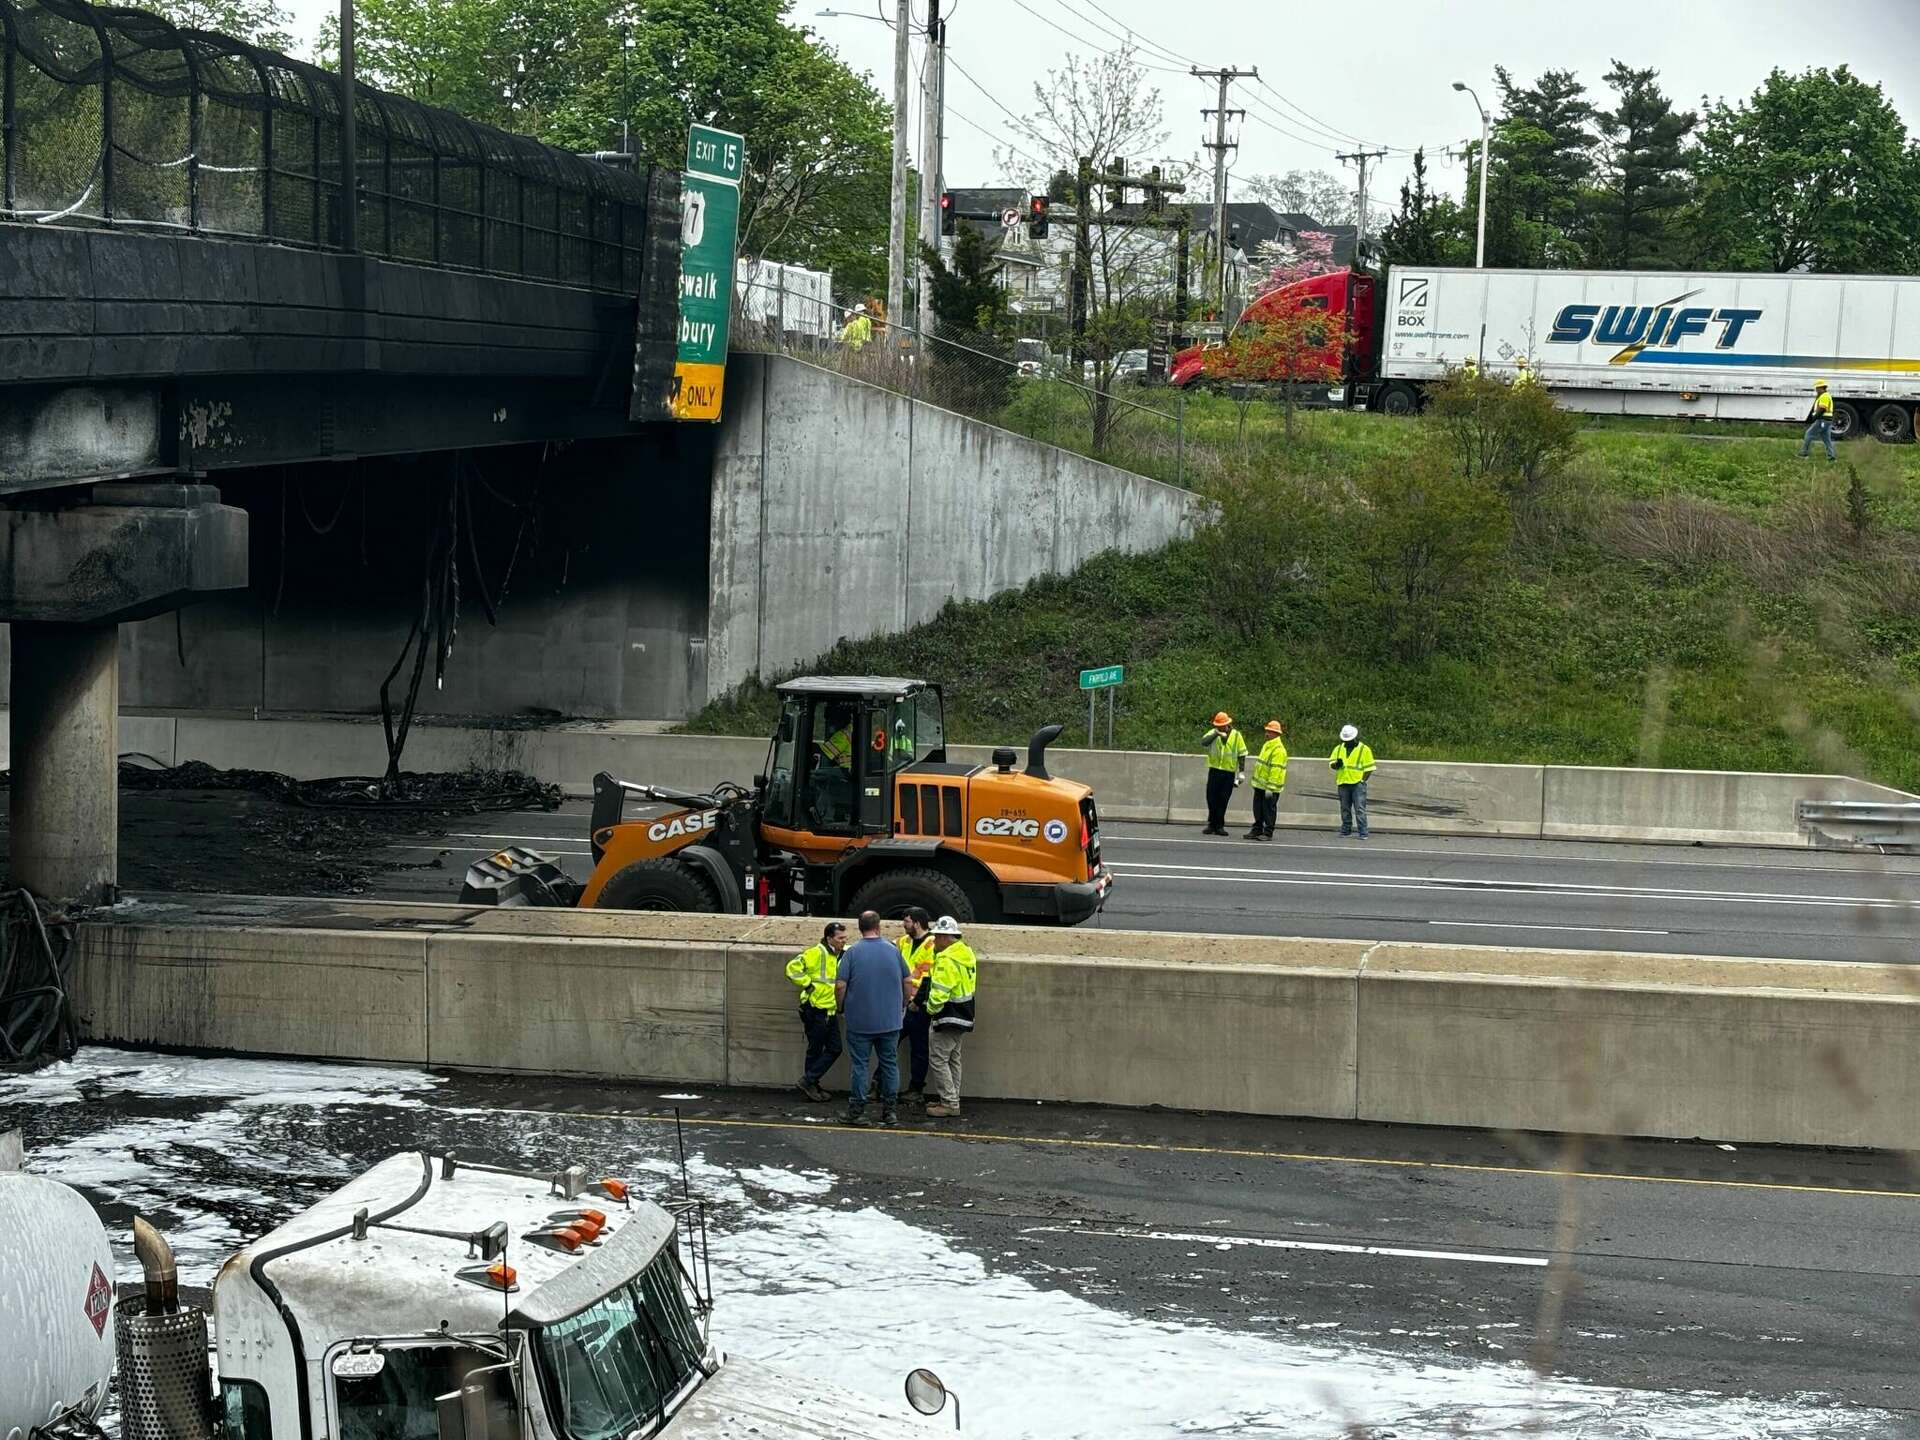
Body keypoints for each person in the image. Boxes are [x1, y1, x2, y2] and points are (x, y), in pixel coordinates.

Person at [834, 910, 914, 1127]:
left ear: (860, 928)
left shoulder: (852, 953)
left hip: (860, 1020)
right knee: (889, 1063)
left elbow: (841, 985)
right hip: (889, 1019)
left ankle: (857, 1111)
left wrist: (840, 1006)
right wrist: (904, 1003)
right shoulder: (893, 950)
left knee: (860, 1065)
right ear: (878, 927)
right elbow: (908, 980)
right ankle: (889, 1111)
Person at [923, 916, 977, 1119]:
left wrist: (930, 1008)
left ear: (946, 937)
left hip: (947, 1015)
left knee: (938, 1059)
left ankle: (949, 1103)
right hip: (964, 1013)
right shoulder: (966, 953)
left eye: (937, 937)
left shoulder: (946, 959)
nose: (934, 941)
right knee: (953, 1058)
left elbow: (940, 992)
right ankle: (952, 1098)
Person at [786, 922, 846, 1102]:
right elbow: (791, 968)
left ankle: (809, 1081)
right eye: (840, 938)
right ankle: (811, 1084)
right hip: (815, 1010)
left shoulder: (840, 954)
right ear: (829, 939)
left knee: (834, 1048)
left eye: (845, 938)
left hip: (829, 1010)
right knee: (815, 1050)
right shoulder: (816, 953)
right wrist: (808, 984)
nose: (843, 941)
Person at [894, 908, 936, 1102]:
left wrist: (917, 1002)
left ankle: (916, 1089)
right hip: (902, 1002)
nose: (904, 925)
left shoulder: (932, 944)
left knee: (918, 1049)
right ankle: (880, 1084)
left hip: (918, 1006)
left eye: (907, 921)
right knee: (890, 1044)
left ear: (918, 923)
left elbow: (928, 978)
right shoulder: (903, 941)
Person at [1199, 712, 1247, 836]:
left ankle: (1219, 825)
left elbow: (1242, 754)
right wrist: (1216, 733)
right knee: (1211, 798)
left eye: (1222, 726)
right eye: (1218, 726)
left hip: (1228, 773)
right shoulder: (1213, 733)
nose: (1220, 727)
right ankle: (1211, 824)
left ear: (1227, 724)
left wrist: (1241, 771)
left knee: (1223, 799)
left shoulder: (1236, 736)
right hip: (1214, 770)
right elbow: (1204, 742)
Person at [1330, 723, 1376, 840]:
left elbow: (1369, 768)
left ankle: (1363, 832)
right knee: (1345, 808)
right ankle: (1346, 830)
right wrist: (1336, 765)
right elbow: (1332, 764)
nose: (1347, 742)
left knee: (1359, 809)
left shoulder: (1364, 750)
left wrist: (1362, 780)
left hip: (1357, 784)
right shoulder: (1339, 748)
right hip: (1343, 782)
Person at [1245, 720, 1288, 841]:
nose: (1267, 733)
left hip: (1270, 787)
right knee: (1258, 809)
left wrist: (1270, 787)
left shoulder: (1278, 750)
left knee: (1268, 810)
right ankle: (1257, 829)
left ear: (1276, 733)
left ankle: (1268, 832)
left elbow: (1276, 770)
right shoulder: (1267, 745)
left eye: (1270, 731)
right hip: (1260, 785)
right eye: (1267, 731)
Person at [1799, 379, 1836, 462]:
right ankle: (1831, 457)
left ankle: (1804, 453)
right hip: (1826, 421)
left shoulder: (1824, 396)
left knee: (1809, 434)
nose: (1816, 390)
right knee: (1827, 439)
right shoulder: (1825, 396)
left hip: (1822, 420)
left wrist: (1815, 417)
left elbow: (1822, 408)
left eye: (1817, 388)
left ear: (1821, 388)